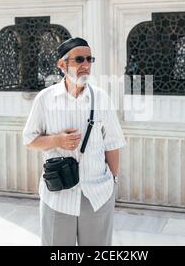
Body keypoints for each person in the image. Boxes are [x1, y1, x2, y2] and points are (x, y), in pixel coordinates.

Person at [22, 37, 126, 246]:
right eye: (79, 59)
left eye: (89, 59)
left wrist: (112, 183)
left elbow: (112, 144)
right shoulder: (45, 98)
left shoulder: (101, 98)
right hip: (58, 195)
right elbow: (29, 140)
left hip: (97, 194)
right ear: (62, 65)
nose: (85, 65)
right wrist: (57, 140)